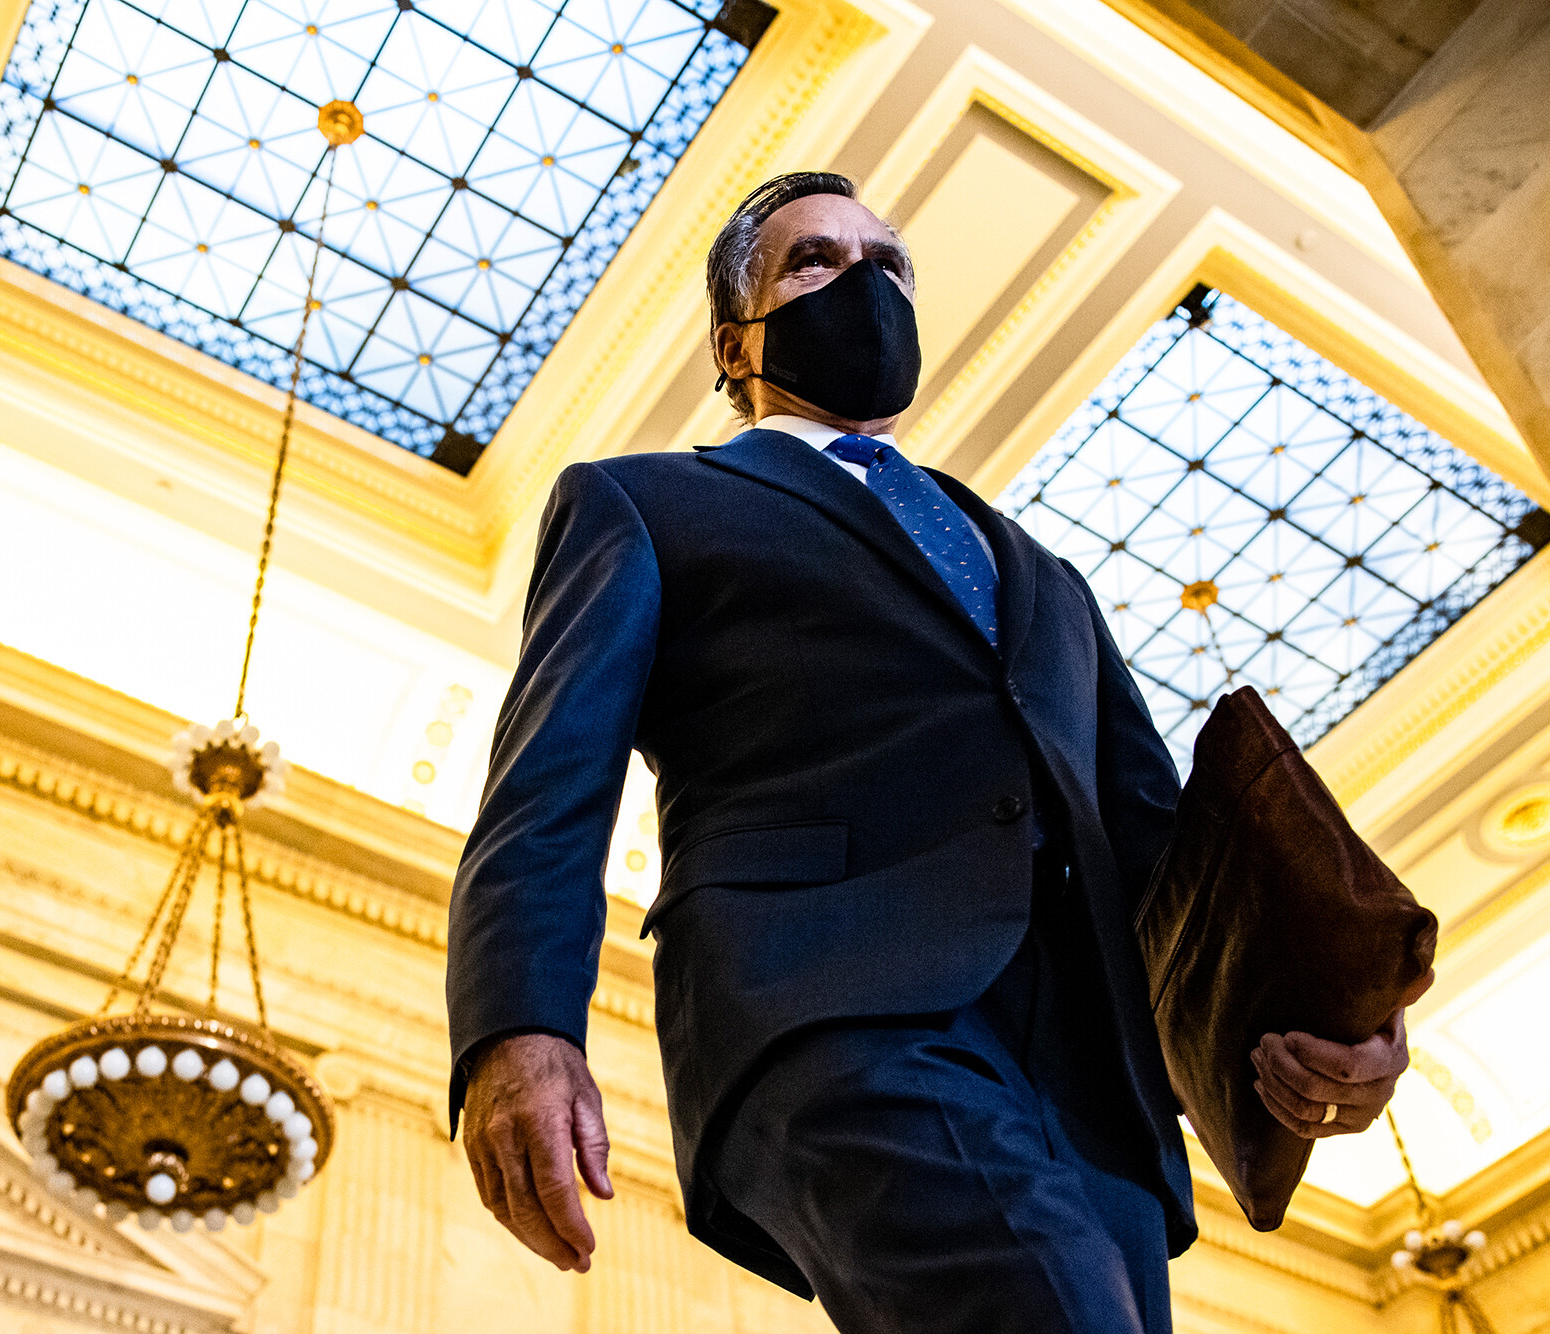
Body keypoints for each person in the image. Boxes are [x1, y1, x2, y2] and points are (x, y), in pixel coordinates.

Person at [444, 172, 1417, 1333]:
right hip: (830, 1005)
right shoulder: (643, 501)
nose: (864, 282)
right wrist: (517, 1022)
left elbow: (1155, 854)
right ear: (733, 344)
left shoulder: (1045, 577)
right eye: (815, 261)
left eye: (888, 263)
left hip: (1090, 1086)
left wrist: (1320, 1014)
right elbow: (547, 781)